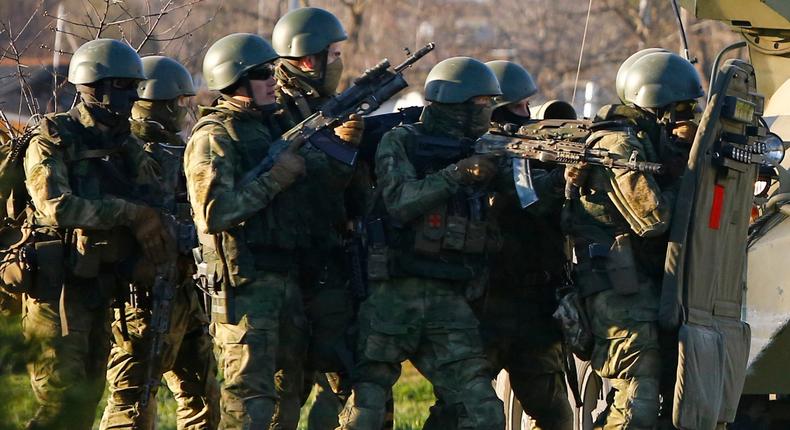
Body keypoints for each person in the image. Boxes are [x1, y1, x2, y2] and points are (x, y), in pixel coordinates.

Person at [336, 57, 506, 430]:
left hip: (450, 298)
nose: (487, 111)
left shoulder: (484, 146)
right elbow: (400, 202)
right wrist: (458, 173)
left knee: (483, 411)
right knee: (365, 412)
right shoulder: (402, 140)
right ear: (453, 104)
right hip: (393, 293)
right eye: (480, 103)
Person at [22, 38, 170, 429]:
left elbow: (156, 200)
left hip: (101, 288)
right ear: (95, 87)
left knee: (86, 404)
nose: (132, 97)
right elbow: (56, 206)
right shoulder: (52, 138)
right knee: (58, 406)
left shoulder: (127, 145)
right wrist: (128, 213)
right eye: (123, 87)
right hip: (58, 292)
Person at [562, 51, 703, 429]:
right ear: (656, 106)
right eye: (682, 110)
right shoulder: (617, 147)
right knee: (636, 402)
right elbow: (654, 219)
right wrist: (686, 175)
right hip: (616, 287)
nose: (687, 120)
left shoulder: (649, 143)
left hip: (643, 284)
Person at [184, 32, 312, 430]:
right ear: (235, 82)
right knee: (248, 404)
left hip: (284, 282)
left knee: (289, 394)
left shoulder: (268, 126)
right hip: (245, 291)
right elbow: (214, 213)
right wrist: (275, 179)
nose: (273, 79)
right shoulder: (214, 137)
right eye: (262, 73)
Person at [99, 55, 219, 430]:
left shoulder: (179, 152)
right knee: (132, 403)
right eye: (177, 104)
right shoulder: (124, 154)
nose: (183, 112)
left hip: (187, 293)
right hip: (143, 302)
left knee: (203, 397)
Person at [271, 7, 366, 430]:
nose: (339, 61)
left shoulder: (328, 106)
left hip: (331, 263)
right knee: (285, 388)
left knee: (344, 375)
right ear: (309, 59)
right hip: (286, 268)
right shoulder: (271, 111)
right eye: (335, 53)